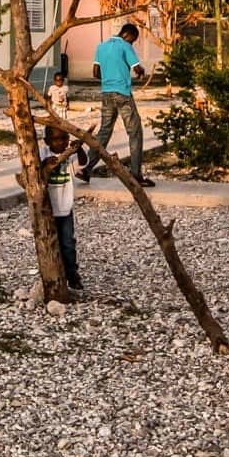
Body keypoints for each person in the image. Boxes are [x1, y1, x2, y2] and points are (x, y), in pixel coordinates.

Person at [80, 23, 152, 187]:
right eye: (133, 40)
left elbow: (95, 73)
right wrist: (140, 73)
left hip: (106, 93)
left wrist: (110, 79)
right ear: (130, 35)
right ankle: (136, 175)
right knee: (135, 133)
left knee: (104, 131)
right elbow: (138, 69)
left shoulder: (101, 46)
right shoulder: (125, 46)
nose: (132, 43)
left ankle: (86, 170)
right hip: (123, 94)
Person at [39, 124, 90, 290]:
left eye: (64, 139)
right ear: (47, 141)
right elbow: (35, 171)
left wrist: (79, 149)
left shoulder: (68, 156)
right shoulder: (43, 154)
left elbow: (83, 164)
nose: (61, 143)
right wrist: (45, 165)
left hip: (65, 207)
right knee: (52, 242)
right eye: (56, 139)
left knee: (68, 243)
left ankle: (72, 273)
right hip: (49, 209)